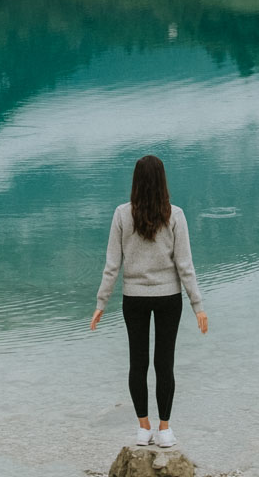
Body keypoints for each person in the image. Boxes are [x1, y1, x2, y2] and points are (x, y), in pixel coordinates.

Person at [91, 154, 208, 448]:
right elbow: (185, 265)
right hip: (170, 298)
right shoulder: (175, 215)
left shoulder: (121, 214)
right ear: (163, 181)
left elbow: (111, 265)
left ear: (136, 181)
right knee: (164, 363)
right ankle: (165, 429)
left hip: (134, 299)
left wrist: (101, 303)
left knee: (138, 363)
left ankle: (143, 428)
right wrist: (198, 306)